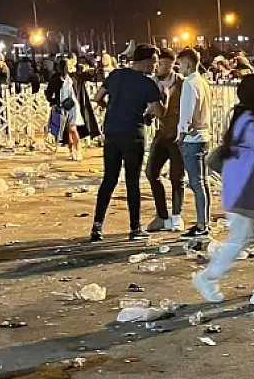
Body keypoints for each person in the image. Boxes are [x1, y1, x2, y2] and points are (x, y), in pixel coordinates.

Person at [191, 73, 254, 311]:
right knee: (242, 240)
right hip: (247, 191)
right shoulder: (252, 125)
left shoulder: (243, 119)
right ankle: (208, 277)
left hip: (248, 190)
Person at [91, 47, 165, 242]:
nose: (155, 65)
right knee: (132, 181)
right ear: (146, 61)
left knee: (109, 180)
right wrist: (148, 113)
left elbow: (98, 97)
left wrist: (113, 110)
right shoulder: (148, 83)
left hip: (112, 133)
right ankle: (135, 228)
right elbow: (158, 112)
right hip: (133, 135)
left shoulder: (116, 75)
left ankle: (97, 226)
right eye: (154, 61)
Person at [176, 48, 215, 238]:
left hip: (192, 138)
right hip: (204, 136)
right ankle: (204, 221)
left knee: (197, 183)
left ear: (189, 64)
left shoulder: (190, 84)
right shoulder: (203, 83)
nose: (179, 67)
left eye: (180, 64)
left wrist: (181, 134)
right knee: (203, 182)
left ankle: (201, 225)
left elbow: (187, 112)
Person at [146, 51, 185, 232]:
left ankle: (177, 216)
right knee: (151, 172)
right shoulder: (153, 83)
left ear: (172, 65)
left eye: (163, 64)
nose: (159, 67)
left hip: (177, 135)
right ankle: (162, 215)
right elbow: (153, 109)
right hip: (161, 133)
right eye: (158, 64)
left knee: (176, 177)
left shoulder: (182, 84)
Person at [48, 57, 86, 161]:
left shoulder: (73, 78)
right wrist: (52, 102)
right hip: (61, 106)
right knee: (66, 131)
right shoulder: (55, 79)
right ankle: (71, 150)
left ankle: (78, 149)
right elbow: (49, 92)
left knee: (73, 129)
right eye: (67, 66)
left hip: (72, 106)